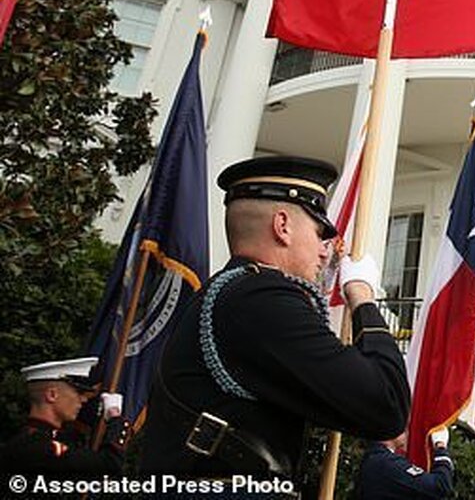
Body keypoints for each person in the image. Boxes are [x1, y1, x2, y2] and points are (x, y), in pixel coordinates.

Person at [138, 156, 411, 483]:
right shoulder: (260, 301)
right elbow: (387, 405)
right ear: (282, 226)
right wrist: (362, 297)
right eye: (318, 232)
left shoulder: (236, 293)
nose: (325, 252)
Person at [0, 357, 128, 477]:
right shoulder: (35, 447)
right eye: (79, 392)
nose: (84, 399)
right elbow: (109, 464)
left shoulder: (55, 439)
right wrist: (115, 418)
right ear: (52, 395)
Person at [357, 428, 454, 499]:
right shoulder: (384, 463)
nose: (407, 431)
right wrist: (440, 447)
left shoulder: (375, 458)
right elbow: (440, 485)